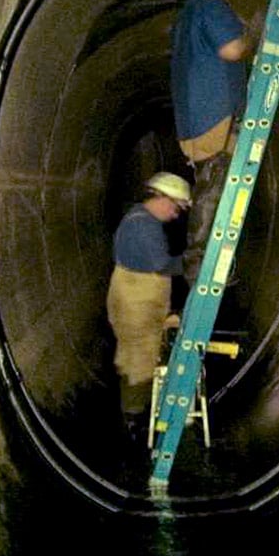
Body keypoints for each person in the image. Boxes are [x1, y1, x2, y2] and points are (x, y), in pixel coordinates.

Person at [171, 0, 262, 285]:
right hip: (214, 114)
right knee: (215, 185)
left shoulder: (188, 14)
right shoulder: (211, 7)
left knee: (214, 184)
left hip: (198, 115)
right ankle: (199, 263)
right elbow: (233, 48)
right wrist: (252, 34)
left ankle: (209, 261)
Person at [106, 171, 191, 438]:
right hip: (136, 298)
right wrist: (193, 263)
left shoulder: (139, 217)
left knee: (136, 352)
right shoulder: (143, 225)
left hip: (134, 294)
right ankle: (133, 420)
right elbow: (162, 264)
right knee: (138, 359)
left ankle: (134, 410)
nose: (176, 214)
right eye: (176, 207)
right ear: (163, 199)